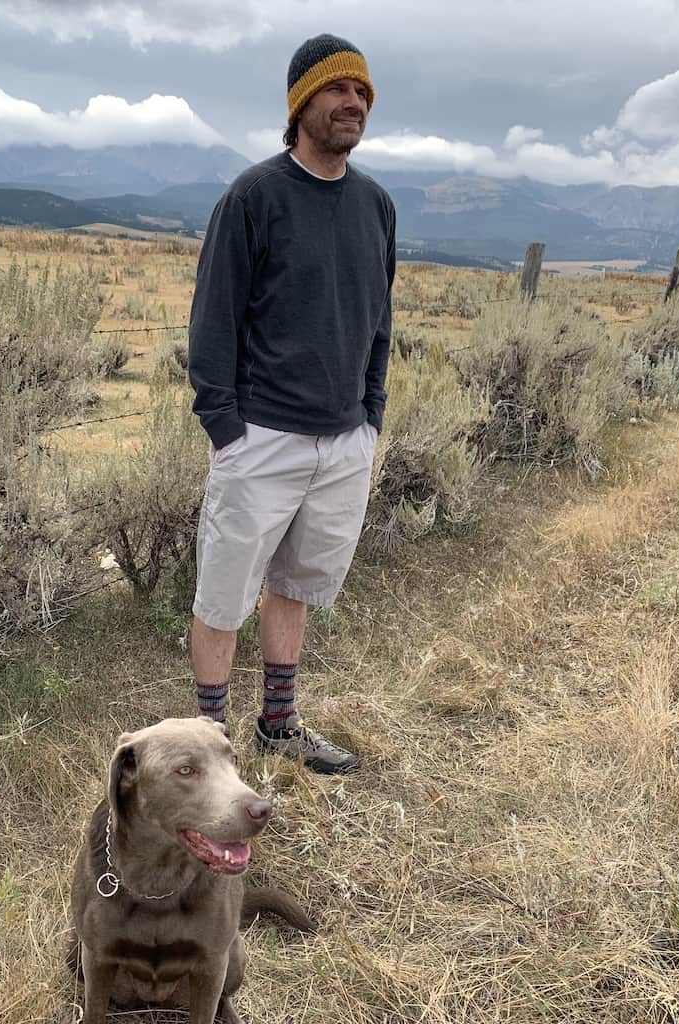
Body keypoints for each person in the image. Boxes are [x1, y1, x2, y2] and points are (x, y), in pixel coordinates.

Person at [187, 33, 396, 774]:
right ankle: (210, 750)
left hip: (342, 443)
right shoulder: (254, 196)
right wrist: (226, 430)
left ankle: (278, 726)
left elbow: (379, 317)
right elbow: (212, 319)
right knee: (222, 599)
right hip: (262, 439)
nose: (354, 104)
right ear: (300, 101)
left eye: (364, 93)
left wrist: (370, 414)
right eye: (339, 90)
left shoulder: (376, 205)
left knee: (296, 585)